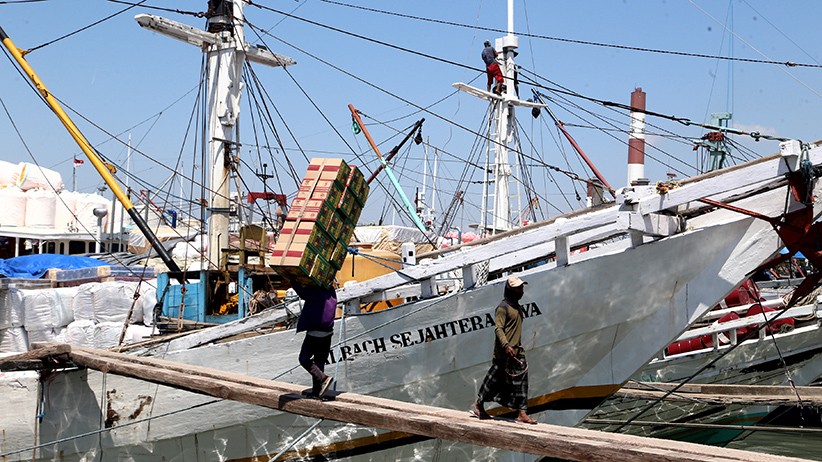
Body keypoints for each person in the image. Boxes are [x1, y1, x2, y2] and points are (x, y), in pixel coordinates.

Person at [471, 276, 538, 424]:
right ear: (510, 290)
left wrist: (515, 346)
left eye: (522, 287)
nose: (521, 291)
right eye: (518, 288)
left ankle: (522, 413)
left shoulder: (517, 307)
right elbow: (498, 329)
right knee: (493, 381)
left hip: (517, 352)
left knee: (522, 383)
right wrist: (506, 345)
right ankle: (479, 404)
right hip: (504, 353)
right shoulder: (503, 308)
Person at [292, 282, 337, 398]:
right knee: (319, 362)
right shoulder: (331, 290)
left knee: (303, 358)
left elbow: (303, 294)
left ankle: (324, 378)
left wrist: (293, 282)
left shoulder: (314, 290)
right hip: (328, 332)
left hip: (315, 332)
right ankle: (317, 392)